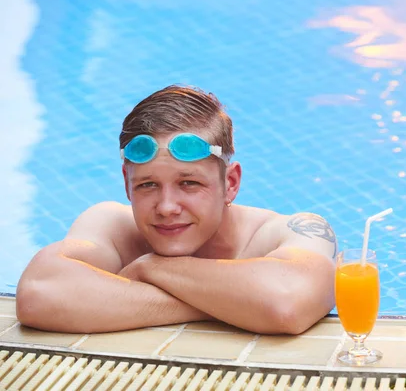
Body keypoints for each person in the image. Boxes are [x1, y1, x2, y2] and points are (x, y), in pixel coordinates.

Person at [16, 85, 337, 335]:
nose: (167, 207)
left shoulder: (288, 230)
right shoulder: (111, 223)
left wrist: (152, 269)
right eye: (147, 185)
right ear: (127, 184)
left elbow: (286, 304)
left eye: (189, 184)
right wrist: (234, 305)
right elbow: (38, 293)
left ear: (232, 182)